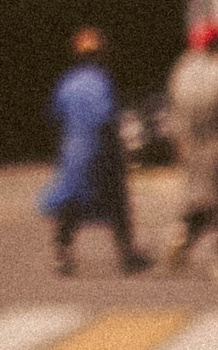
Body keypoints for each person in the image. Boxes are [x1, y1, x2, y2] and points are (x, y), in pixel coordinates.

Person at [40, 25, 145, 276]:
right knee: (116, 203)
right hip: (101, 152)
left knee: (71, 204)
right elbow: (105, 117)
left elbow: (53, 115)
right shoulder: (101, 82)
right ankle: (126, 255)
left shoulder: (67, 82)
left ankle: (62, 254)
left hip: (73, 152)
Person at [165, 17, 218, 279]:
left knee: (202, 200)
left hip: (192, 148)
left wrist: (181, 144)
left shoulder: (185, 70)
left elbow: (174, 112)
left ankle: (183, 233)